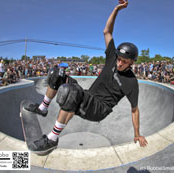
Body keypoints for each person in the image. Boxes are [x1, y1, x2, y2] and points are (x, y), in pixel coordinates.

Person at [25, 0, 148, 154]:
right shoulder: (112, 58)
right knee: (57, 74)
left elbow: (134, 110)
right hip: (89, 96)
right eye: (119, 59)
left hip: (99, 109)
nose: (120, 63)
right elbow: (107, 32)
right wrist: (117, 9)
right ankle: (43, 108)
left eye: (125, 62)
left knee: (71, 92)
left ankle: (52, 139)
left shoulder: (131, 82)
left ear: (131, 63)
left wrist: (137, 133)